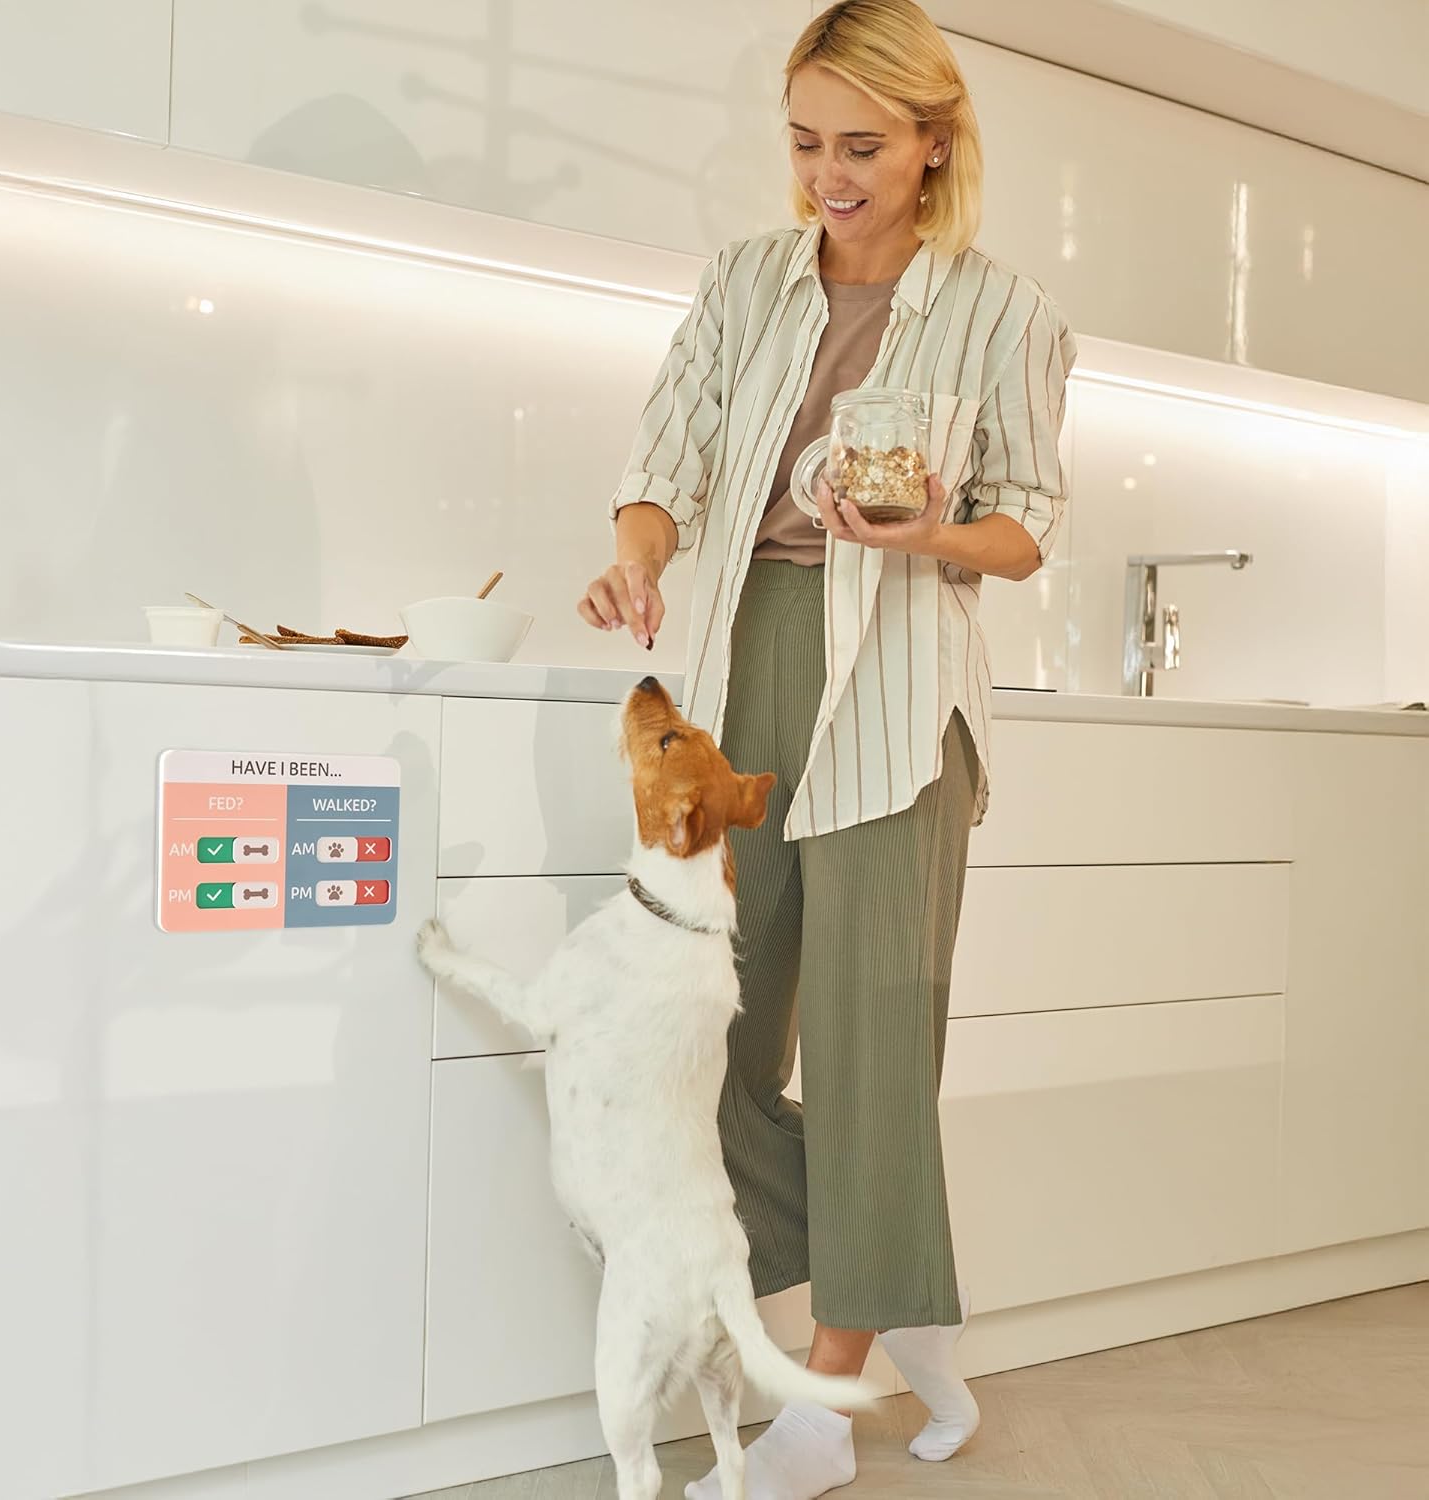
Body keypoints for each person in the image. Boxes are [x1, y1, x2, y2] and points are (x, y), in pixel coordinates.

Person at [579, 2, 1077, 1494]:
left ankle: (826, 1400)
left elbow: (1028, 525)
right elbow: (667, 457)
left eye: (861, 146)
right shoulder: (746, 282)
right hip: (746, 674)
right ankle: (897, 1276)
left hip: (902, 698)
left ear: (933, 143)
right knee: (705, 1047)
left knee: (868, 1052)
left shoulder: (1006, 315)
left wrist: (930, 535)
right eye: (805, 143)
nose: (828, 176)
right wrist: (638, 556)